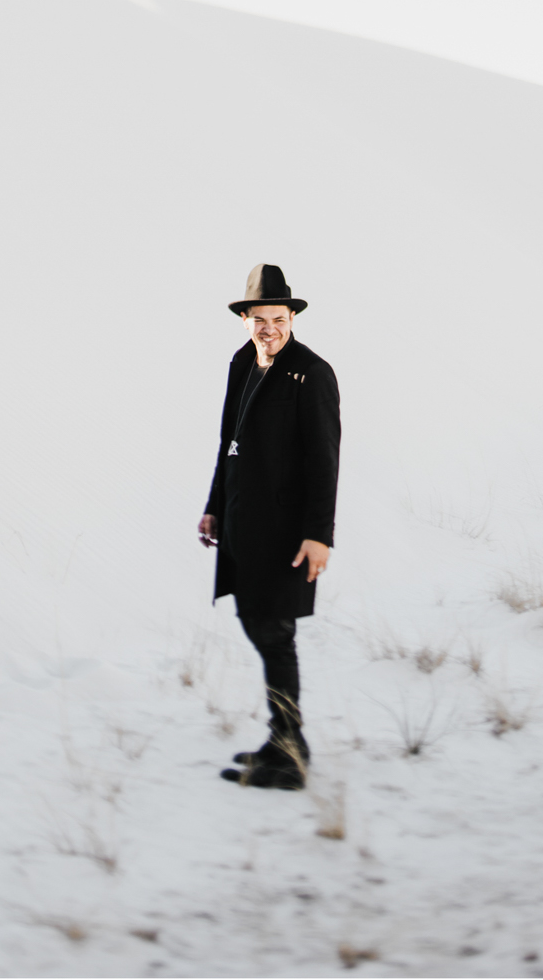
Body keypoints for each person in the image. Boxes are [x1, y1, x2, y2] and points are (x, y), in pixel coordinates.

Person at [197, 263, 341, 790]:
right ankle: (284, 738)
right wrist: (214, 505)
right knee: (257, 625)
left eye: (278, 318)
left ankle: (290, 752)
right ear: (245, 320)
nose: (269, 329)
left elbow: (324, 461)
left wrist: (319, 534)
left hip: (286, 533)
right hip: (241, 524)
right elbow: (227, 443)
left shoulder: (312, 373)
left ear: (291, 317)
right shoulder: (241, 364)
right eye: (260, 319)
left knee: (275, 634)